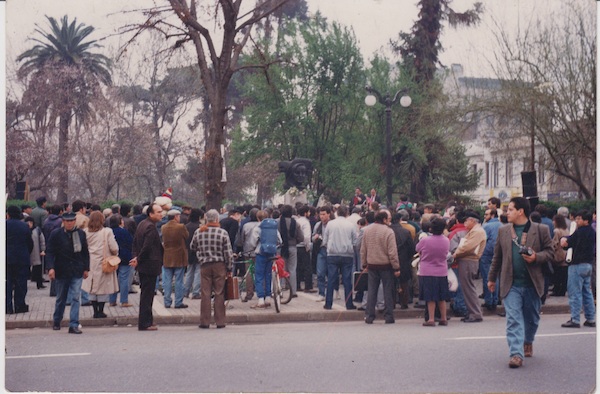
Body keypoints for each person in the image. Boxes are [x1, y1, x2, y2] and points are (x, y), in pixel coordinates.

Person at [487, 197, 553, 368]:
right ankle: (516, 354)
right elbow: (497, 257)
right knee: (513, 319)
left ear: (520, 211)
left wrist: (536, 257)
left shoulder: (540, 229)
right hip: (511, 284)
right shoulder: (504, 231)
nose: (506, 213)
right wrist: (491, 278)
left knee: (532, 319)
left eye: (509, 209)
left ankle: (528, 340)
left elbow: (550, 253)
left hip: (533, 283)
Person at [45, 212, 90, 333]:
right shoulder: (56, 234)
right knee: (61, 298)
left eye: (71, 221)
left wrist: (86, 268)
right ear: (63, 222)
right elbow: (49, 252)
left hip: (76, 270)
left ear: (75, 221)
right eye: (66, 221)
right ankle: (57, 320)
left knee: (76, 297)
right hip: (61, 270)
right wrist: (50, 268)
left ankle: (73, 324)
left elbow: (85, 252)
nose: (69, 223)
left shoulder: (80, 233)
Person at [190, 209, 234, 328]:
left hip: (204, 265)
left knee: (205, 293)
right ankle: (220, 321)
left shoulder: (199, 232)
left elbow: (192, 247)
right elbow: (228, 253)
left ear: (205, 218)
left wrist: (201, 254)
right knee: (219, 293)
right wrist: (229, 267)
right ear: (217, 219)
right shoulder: (222, 233)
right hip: (219, 265)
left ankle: (204, 321)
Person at [360, 209, 400, 324]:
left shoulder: (367, 230)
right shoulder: (388, 232)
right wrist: (396, 267)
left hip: (372, 264)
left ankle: (369, 316)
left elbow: (363, 249)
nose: (389, 222)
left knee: (372, 290)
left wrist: (364, 264)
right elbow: (392, 252)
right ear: (384, 219)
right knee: (388, 290)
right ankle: (388, 316)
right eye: (388, 219)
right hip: (385, 265)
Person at [130, 203, 164, 331]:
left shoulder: (142, 224)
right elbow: (147, 246)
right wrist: (138, 258)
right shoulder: (150, 227)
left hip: (144, 264)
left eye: (161, 211)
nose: (161, 214)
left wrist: (135, 257)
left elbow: (135, 243)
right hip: (149, 264)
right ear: (151, 214)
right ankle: (145, 323)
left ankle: (147, 321)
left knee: (146, 294)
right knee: (147, 295)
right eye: (158, 212)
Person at [560, 210, 596, 328]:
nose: (577, 220)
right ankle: (590, 318)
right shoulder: (592, 232)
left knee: (575, 293)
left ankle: (575, 319)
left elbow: (568, 243)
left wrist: (564, 240)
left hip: (577, 265)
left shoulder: (579, 232)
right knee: (587, 292)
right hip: (588, 264)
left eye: (579, 219)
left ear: (586, 221)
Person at [81, 211, 119, 319]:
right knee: (103, 287)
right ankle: (101, 311)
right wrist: (115, 254)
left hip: (89, 262)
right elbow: (114, 247)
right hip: (103, 262)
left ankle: (94, 311)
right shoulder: (107, 232)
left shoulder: (85, 232)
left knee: (92, 286)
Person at [452, 210, 486, 323]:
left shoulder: (477, 231)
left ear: (472, 220)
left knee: (468, 288)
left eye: (466, 220)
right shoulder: (474, 230)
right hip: (467, 260)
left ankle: (475, 313)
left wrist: (456, 253)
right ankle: (473, 312)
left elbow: (467, 246)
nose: (465, 222)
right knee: (467, 288)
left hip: (468, 260)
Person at [416, 217, 450, 326]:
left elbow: (417, 248)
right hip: (442, 270)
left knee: (430, 297)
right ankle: (443, 318)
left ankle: (431, 319)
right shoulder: (446, 240)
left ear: (431, 228)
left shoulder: (425, 240)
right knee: (441, 297)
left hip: (427, 270)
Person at [322, 205, 357, 310]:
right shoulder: (351, 225)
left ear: (336, 212)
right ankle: (349, 303)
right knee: (347, 280)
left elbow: (325, 240)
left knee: (331, 279)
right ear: (346, 213)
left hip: (332, 254)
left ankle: (328, 303)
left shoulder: (330, 224)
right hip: (347, 255)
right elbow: (354, 241)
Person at [248, 210, 282, 308]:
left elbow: (252, 242)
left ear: (258, 218)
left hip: (261, 253)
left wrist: (255, 247)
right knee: (268, 275)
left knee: (259, 276)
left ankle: (261, 299)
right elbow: (280, 240)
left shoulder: (258, 227)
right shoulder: (274, 228)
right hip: (272, 253)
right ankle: (268, 297)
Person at [6, 206, 33, 314]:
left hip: (6, 259)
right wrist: (26, 253)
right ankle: (19, 305)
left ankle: (7, 306)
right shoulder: (24, 226)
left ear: (8, 214)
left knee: (6, 283)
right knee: (21, 283)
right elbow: (30, 243)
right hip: (22, 259)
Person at [161, 209, 189, 309]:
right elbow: (187, 236)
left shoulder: (163, 227)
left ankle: (167, 302)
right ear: (176, 216)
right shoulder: (181, 227)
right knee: (179, 281)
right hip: (179, 256)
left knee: (167, 281)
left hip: (167, 256)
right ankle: (178, 302)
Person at [390, 212, 416, 309]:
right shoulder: (405, 232)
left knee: (390, 282)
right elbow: (411, 248)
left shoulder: (388, 231)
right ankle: (404, 302)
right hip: (404, 259)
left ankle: (391, 302)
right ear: (400, 220)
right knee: (404, 282)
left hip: (390, 259)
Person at [108, 214, 134, 307]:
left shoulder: (109, 232)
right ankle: (124, 301)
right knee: (124, 280)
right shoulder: (124, 232)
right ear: (119, 222)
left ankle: (112, 300)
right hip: (125, 257)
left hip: (112, 259)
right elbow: (131, 243)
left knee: (113, 279)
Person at [279, 205, 304, 298]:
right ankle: (293, 291)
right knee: (292, 269)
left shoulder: (277, 222)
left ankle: (280, 289)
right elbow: (301, 237)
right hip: (293, 247)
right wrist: (295, 241)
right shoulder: (296, 223)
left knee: (281, 268)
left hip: (281, 248)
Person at [480, 208, 502, 310]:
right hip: (499, 253)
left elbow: (482, 240)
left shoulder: (486, 226)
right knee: (496, 277)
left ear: (492, 215)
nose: (485, 217)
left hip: (487, 253)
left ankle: (489, 300)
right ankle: (495, 299)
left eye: (486, 214)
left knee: (487, 277)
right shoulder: (503, 226)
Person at [184, 208, 203, 299]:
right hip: (199, 251)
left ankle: (185, 291)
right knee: (198, 272)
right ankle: (195, 292)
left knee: (189, 271)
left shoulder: (186, 226)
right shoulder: (200, 227)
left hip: (189, 251)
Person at [296, 205, 314, 293]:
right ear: (305, 213)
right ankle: (308, 286)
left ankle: (297, 285)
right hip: (303, 246)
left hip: (296, 246)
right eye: (309, 212)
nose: (309, 214)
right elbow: (306, 237)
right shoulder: (306, 222)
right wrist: (308, 247)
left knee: (298, 267)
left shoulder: (296, 221)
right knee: (307, 267)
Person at [24, 217, 46, 289]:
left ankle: (39, 283)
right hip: (26, 251)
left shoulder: (37, 230)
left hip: (36, 251)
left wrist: (43, 249)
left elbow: (42, 240)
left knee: (38, 268)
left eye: (31, 222)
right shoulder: (24, 230)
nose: (29, 224)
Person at [549, 214, 568, 297]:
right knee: (564, 274)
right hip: (565, 254)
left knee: (557, 273)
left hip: (558, 254)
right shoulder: (566, 230)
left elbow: (555, 243)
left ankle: (557, 290)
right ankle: (563, 290)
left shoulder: (556, 231)